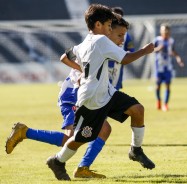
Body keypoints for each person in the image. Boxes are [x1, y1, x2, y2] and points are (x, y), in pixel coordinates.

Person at [5, 14, 135, 179]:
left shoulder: (107, 49)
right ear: (107, 31)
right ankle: (25, 132)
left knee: (104, 129)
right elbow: (65, 57)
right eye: (119, 34)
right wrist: (82, 72)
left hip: (87, 95)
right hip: (73, 93)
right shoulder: (97, 45)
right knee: (71, 137)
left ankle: (83, 168)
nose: (122, 40)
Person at [46, 4, 155, 181]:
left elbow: (66, 56)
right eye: (109, 26)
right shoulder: (100, 40)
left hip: (106, 92)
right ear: (98, 25)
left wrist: (81, 71)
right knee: (80, 138)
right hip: (92, 99)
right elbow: (125, 59)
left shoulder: (86, 41)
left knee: (137, 109)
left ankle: (136, 150)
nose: (110, 29)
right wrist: (145, 50)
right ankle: (57, 161)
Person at [153, 23, 184, 111]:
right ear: (161, 31)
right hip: (159, 67)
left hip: (168, 67)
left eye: (167, 30)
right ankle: (158, 100)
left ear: (169, 31)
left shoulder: (171, 41)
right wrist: (158, 48)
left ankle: (165, 104)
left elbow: (173, 51)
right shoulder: (157, 40)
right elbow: (151, 50)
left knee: (167, 86)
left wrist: (178, 58)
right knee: (158, 86)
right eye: (163, 30)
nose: (165, 32)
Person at [108, 6, 135, 90]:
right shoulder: (104, 32)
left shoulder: (126, 35)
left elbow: (131, 50)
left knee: (115, 88)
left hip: (118, 65)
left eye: (119, 17)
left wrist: (123, 55)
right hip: (105, 63)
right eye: (115, 17)